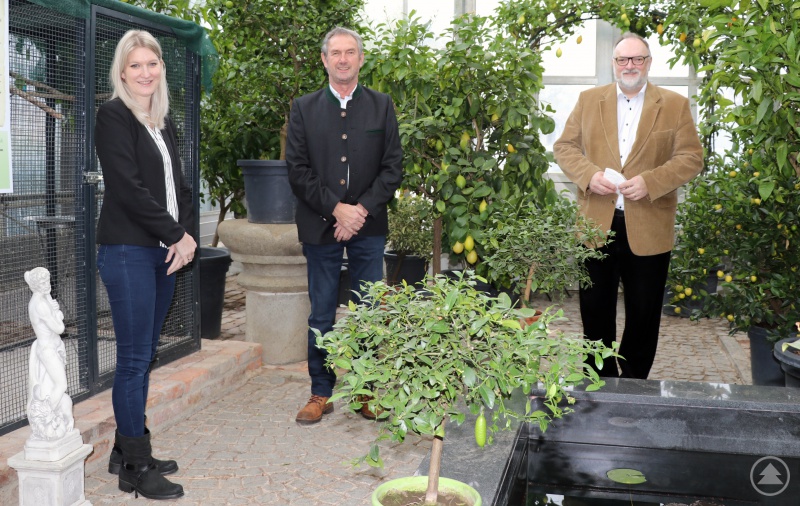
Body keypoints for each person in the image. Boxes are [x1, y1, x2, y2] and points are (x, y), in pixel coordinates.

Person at [553, 32, 703, 379]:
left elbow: (691, 158)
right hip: (596, 224)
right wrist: (589, 175)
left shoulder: (674, 104)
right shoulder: (589, 100)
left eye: (638, 59)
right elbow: (565, 147)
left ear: (649, 63)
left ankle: (635, 382)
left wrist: (651, 182)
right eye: (623, 59)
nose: (630, 66)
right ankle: (599, 382)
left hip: (649, 224)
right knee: (594, 309)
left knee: (644, 311)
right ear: (614, 64)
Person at [95, 29, 196, 500]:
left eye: (151, 64)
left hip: (162, 252)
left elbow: (179, 187)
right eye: (135, 65)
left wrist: (185, 237)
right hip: (128, 250)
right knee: (134, 360)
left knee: (145, 355)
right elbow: (129, 189)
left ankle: (125, 448)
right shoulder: (113, 116)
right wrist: (176, 234)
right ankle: (135, 468)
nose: (144, 73)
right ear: (121, 71)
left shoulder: (161, 120)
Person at [286, 27, 403, 425]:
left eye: (349, 52)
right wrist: (337, 210)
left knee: (369, 311)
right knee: (321, 313)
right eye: (335, 53)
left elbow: (392, 168)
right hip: (321, 225)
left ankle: (368, 391)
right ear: (324, 59)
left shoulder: (382, 105)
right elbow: (297, 171)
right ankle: (321, 392)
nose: (342, 59)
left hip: (368, 226)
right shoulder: (303, 108)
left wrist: (359, 211)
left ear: (361, 58)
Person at [25, 267, 74, 441]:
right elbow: (60, 328)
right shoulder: (40, 304)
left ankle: (52, 416)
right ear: (36, 285)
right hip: (47, 350)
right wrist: (57, 313)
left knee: (51, 386)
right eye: (43, 282)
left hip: (51, 348)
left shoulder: (43, 298)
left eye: (48, 281)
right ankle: (46, 420)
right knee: (61, 384)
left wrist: (54, 311)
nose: (48, 285)